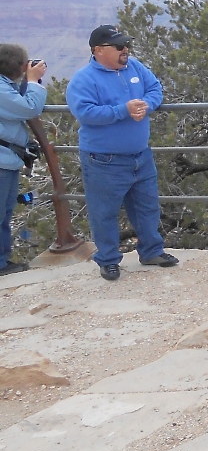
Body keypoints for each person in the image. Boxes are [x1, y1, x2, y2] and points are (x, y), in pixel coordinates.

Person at [66, 25, 179, 281]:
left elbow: (155, 89)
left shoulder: (135, 68)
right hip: (104, 160)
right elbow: (85, 113)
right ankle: (107, 260)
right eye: (118, 46)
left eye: (126, 44)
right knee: (104, 212)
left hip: (140, 155)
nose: (125, 50)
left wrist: (147, 105)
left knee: (147, 206)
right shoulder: (83, 80)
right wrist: (123, 110)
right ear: (98, 51)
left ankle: (152, 251)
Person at [0, 45, 46, 276]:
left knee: (5, 212)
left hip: (7, 161)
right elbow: (28, 108)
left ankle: (3, 261)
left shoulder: (6, 86)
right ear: (18, 66)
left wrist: (28, 82)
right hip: (1, 162)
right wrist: (34, 82)